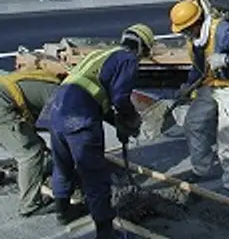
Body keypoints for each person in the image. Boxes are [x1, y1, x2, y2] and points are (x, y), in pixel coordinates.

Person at [46, 24, 154, 238]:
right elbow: (120, 98)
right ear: (143, 48)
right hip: (79, 115)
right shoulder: (128, 59)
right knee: (94, 175)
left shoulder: (102, 53)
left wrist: (117, 123)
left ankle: (63, 211)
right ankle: (105, 232)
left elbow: (96, 93)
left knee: (63, 164)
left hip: (57, 109)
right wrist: (130, 119)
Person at [169, 0, 229, 193]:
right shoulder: (194, 42)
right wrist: (188, 86)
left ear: (196, 24)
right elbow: (198, 68)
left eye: (185, 29)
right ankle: (201, 169)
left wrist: (226, 59)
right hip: (210, 85)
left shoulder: (223, 31)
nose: (184, 34)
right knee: (194, 123)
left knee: (226, 133)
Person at [0, 68, 64, 217]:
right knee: (31, 153)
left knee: (32, 143)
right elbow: (60, 131)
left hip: (5, 99)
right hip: (3, 105)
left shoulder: (49, 81)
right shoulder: (62, 95)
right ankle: (30, 205)